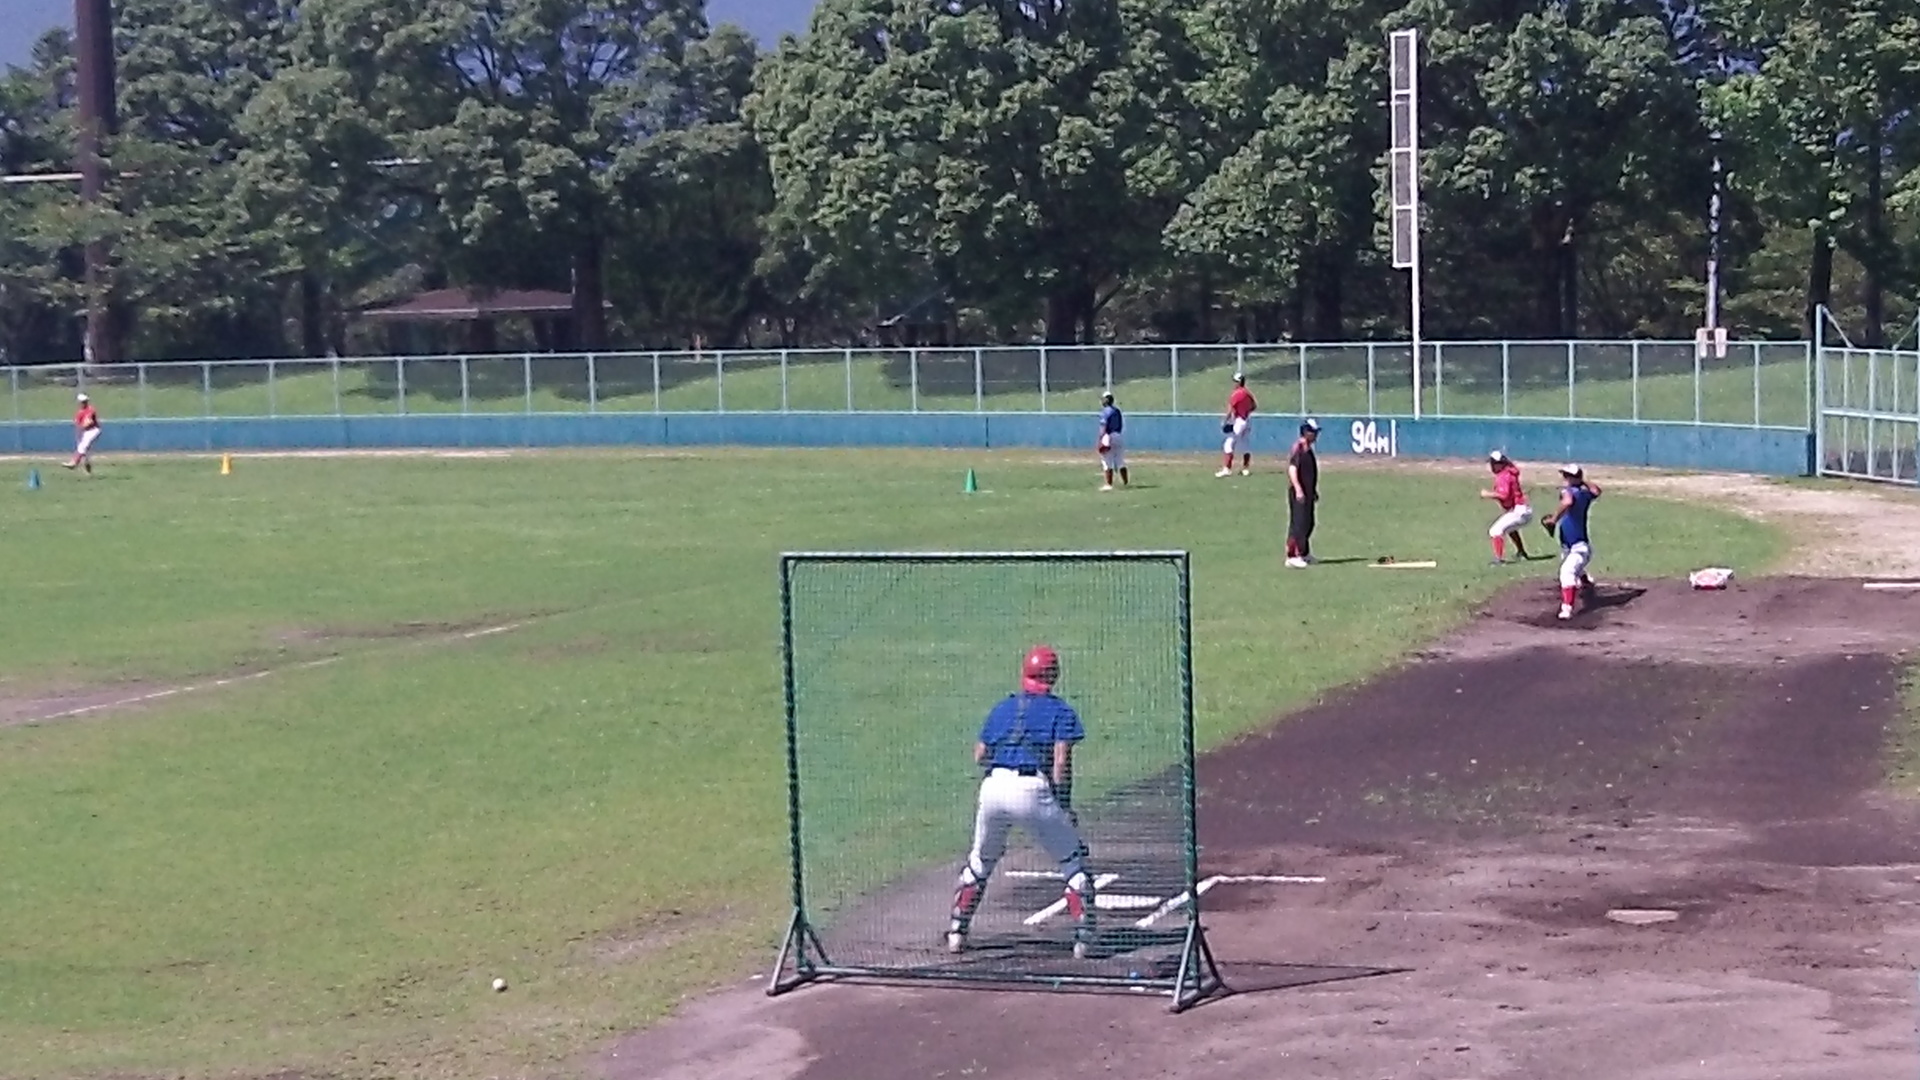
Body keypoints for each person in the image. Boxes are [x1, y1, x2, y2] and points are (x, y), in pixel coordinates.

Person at [947, 645, 1098, 959]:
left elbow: (979, 755)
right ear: (1054, 675)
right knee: (1074, 863)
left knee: (980, 862)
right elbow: (1060, 764)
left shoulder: (1002, 708)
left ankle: (956, 931)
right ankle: (1084, 939)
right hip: (1032, 789)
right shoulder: (1061, 711)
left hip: (992, 788)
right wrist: (1064, 806)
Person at [1541, 464, 1602, 620]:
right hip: (1573, 546)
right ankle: (1586, 582)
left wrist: (1554, 519)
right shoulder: (1584, 493)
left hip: (1579, 548)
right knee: (1569, 563)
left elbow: (1567, 502)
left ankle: (1566, 609)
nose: (1565, 479)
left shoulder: (1569, 492)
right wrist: (1583, 481)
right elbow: (1597, 491)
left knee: (1566, 572)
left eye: (1566, 476)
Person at [1481, 450, 1535, 564]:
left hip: (1519, 511)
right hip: (1525, 510)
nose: (1491, 466)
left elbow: (1504, 495)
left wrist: (1488, 494)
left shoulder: (1503, 476)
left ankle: (1498, 559)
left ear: (1498, 464)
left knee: (1495, 531)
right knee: (1509, 527)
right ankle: (1521, 551)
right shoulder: (1510, 472)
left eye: (1492, 463)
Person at [1284, 419, 1321, 567]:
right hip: (1299, 493)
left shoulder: (1308, 449)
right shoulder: (1298, 448)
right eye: (1313, 432)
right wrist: (1298, 489)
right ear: (1306, 432)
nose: (1316, 435)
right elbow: (1292, 469)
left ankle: (1304, 553)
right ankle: (1292, 556)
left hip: (1308, 492)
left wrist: (1313, 490)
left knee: (1309, 523)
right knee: (1298, 523)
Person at [1217, 373, 1257, 477]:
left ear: (1239, 382)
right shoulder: (1248, 393)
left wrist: (1224, 421)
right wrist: (1245, 412)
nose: (1234, 383)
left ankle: (1227, 469)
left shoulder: (1236, 394)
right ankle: (1245, 469)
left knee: (1229, 444)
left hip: (1239, 421)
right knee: (1245, 444)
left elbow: (1230, 409)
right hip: (1247, 420)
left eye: (1235, 381)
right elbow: (1254, 406)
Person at [1096, 392, 1128, 491]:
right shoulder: (1117, 411)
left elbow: (1103, 427)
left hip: (1108, 436)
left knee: (1106, 461)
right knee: (1120, 460)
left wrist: (1101, 438)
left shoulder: (1105, 412)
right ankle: (1125, 482)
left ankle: (1108, 484)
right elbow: (1121, 425)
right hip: (1118, 435)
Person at [65, 392, 101, 474]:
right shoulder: (79, 413)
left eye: (85, 401)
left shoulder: (91, 409)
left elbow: (89, 421)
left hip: (94, 430)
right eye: (82, 402)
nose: (83, 403)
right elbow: (78, 425)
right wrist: (78, 435)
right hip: (85, 432)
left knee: (83, 446)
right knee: (84, 451)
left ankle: (74, 463)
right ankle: (88, 469)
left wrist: (85, 425)